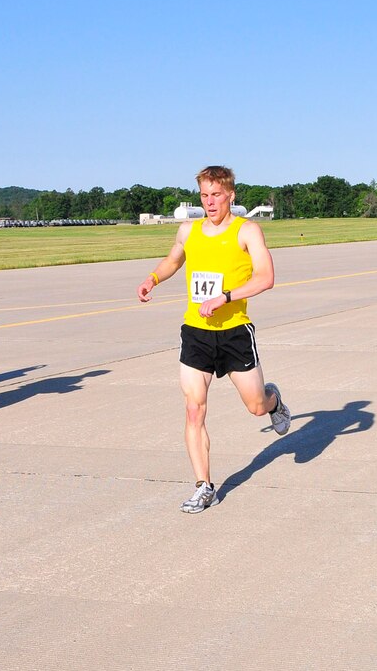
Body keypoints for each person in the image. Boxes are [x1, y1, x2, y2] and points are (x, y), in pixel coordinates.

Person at [136, 165, 291, 514]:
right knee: (193, 409)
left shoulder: (246, 231)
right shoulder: (188, 231)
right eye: (204, 195)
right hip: (196, 333)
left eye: (216, 194)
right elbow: (173, 260)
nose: (210, 201)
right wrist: (152, 279)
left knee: (255, 406)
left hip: (235, 332)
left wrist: (226, 296)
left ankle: (275, 402)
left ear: (231, 195)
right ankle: (204, 486)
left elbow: (266, 277)